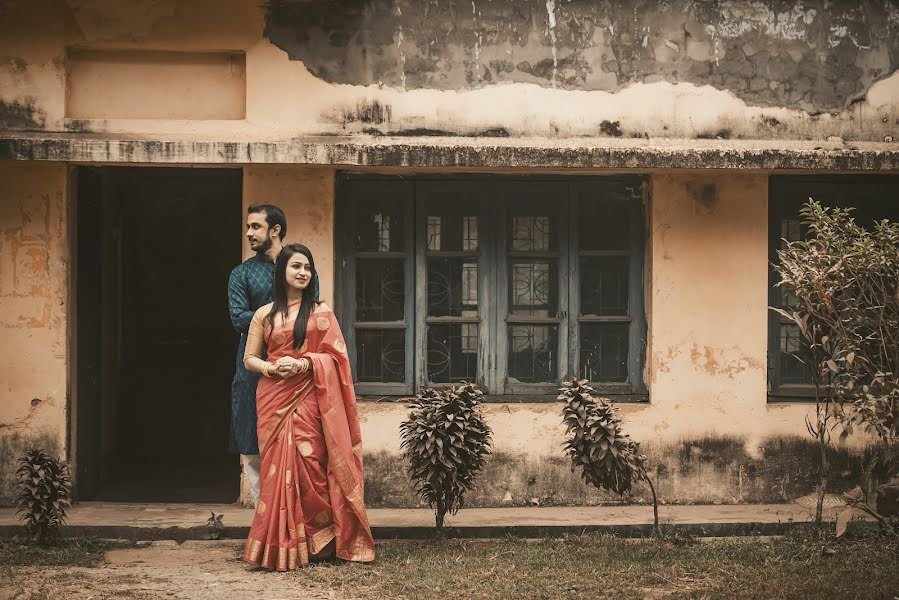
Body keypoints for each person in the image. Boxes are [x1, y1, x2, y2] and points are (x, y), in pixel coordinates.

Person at [242, 244, 375, 570]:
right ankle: (280, 545)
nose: (303, 272)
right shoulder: (264, 314)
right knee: (277, 470)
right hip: (273, 399)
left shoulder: (320, 313)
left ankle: (320, 542)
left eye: (308, 267)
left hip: (310, 400)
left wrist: (303, 365)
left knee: (312, 466)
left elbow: (336, 359)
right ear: (282, 271)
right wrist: (272, 369)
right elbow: (249, 359)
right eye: (296, 266)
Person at [228, 204, 287, 506]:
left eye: (255, 226)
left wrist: (264, 319)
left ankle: (292, 528)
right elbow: (238, 318)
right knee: (252, 445)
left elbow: (312, 315)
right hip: (252, 368)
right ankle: (264, 525)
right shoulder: (242, 274)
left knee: (292, 444)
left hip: (293, 368)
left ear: (274, 230)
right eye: (248, 227)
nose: (249, 233)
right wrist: (284, 315)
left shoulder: (298, 268)